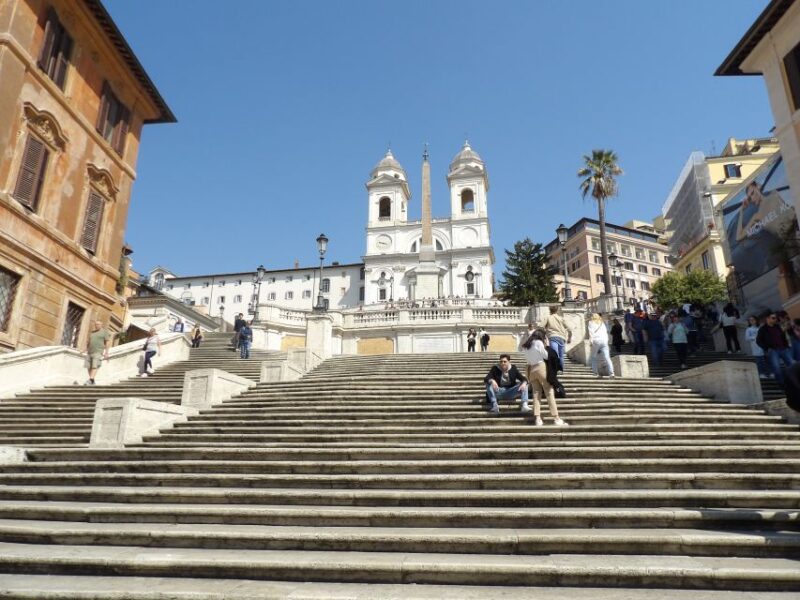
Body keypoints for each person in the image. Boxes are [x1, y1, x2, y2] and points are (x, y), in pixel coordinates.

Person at [521, 330, 567, 426]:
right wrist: (546, 345)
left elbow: (528, 359)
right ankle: (556, 418)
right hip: (540, 367)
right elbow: (545, 356)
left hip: (531, 369)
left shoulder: (526, 346)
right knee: (549, 392)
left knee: (536, 394)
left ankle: (538, 418)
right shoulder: (538, 342)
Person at [757, 312, 795, 386]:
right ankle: (782, 384)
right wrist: (766, 348)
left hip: (784, 349)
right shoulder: (762, 329)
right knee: (776, 368)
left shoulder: (778, 326)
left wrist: (786, 346)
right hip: (773, 350)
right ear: (767, 318)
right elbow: (758, 341)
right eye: (773, 318)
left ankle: (795, 380)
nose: (775, 319)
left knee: (792, 364)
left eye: (775, 318)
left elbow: (783, 336)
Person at [542, 305, 571, 370]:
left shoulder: (548, 318)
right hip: (562, 337)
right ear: (557, 310)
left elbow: (541, 327)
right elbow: (569, 329)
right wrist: (569, 338)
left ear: (550, 310)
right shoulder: (561, 318)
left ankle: (555, 369)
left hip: (553, 336)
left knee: (555, 354)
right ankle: (561, 369)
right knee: (561, 355)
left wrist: (544, 334)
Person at [587, 313, 615, 378]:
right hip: (604, 341)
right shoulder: (602, 323)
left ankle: (595, 373)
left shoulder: (591, 322)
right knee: (607, 358)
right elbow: (606, 332)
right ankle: (611, 373)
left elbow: (591, 333)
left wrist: (591, 342)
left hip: (596, 340)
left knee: (593, 357)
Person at [85, 320, 111, 385]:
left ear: (101, 325)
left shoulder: (104, 332)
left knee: (94, 366)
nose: (97, 325)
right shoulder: (92, 333)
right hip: (90, 352)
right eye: (96, 324)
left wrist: (106, 352)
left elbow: (107, 342)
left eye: (98, 324)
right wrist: (84, 349)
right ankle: (92, 380)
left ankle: (90, 379)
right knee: (88, 366)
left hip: (98, 352)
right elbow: (89, 342)